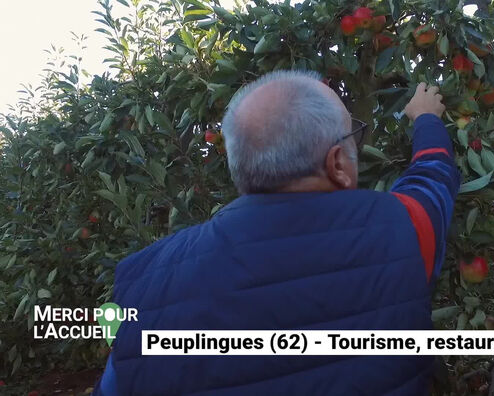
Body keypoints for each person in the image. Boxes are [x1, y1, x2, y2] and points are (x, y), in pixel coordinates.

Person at [94, 70, 460, 395]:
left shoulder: (143, 282)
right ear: (337, 164)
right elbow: (433, 176)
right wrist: (426, 117)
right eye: (355, 136)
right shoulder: (402, 229)